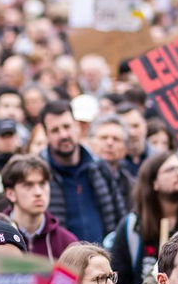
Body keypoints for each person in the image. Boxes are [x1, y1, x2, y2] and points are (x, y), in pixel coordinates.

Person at [40, 100, 129, 246]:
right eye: (55, 130)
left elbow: (119, 218)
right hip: (62, 262)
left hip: (104, 260)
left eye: (67, 126)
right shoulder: (41, 174)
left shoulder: (99, 168)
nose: (63, 135)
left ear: (77, 127)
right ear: (46, 135)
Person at [2, 156, 80, 260]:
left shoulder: (67, 243)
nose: (38, 192)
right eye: (28, 185)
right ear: (10, 194)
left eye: (42, 184)